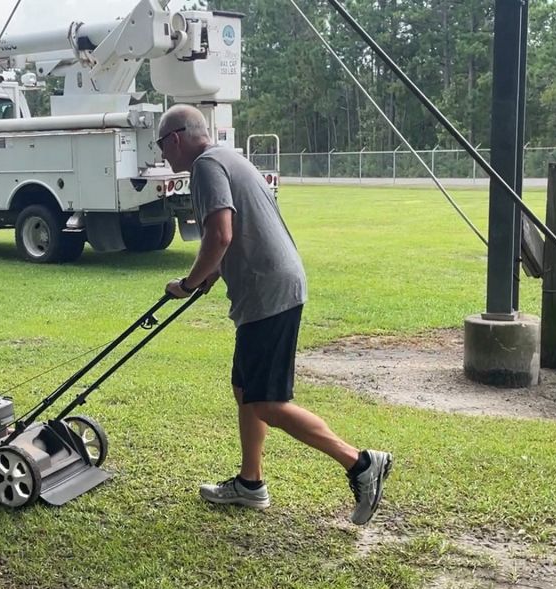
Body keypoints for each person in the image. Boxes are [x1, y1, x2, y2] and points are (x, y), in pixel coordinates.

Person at [156, 104, 393, 525]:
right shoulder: (228, 157)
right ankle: (251, 483)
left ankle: (360, 463)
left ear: (175, 138)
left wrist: (190, 283)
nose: (163, 156)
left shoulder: (206, 166)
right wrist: (210, 276)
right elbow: (237, 233)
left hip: (268, 291)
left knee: (268, 402)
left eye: (161, 146)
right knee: (245, 388)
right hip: (272, 286)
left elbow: (221, 233)